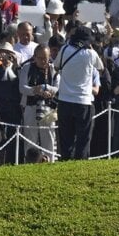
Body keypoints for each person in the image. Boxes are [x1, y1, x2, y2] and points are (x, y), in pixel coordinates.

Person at [52, 24, 102, 160]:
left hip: (64, 100)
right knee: (83, 138)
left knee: (65, 138)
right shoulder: (91, 54)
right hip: (83, 101)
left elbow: (56, 66)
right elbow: (100, 67)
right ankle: (80, 163)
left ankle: (65, 161)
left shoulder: (64, 49)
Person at [18, 43, 57, 162]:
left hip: (48, 108)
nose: (43, 61)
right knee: (30, 137)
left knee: (48, 136)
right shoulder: (27, 68)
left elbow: (57, 87)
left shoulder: (53, 68)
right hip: (31, 106)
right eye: (40, 58)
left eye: (45, 58)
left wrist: (47, 89)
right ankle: (31, 162)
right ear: (34, 57)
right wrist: (35, 90)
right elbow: (22, 88)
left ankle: (50, 161)